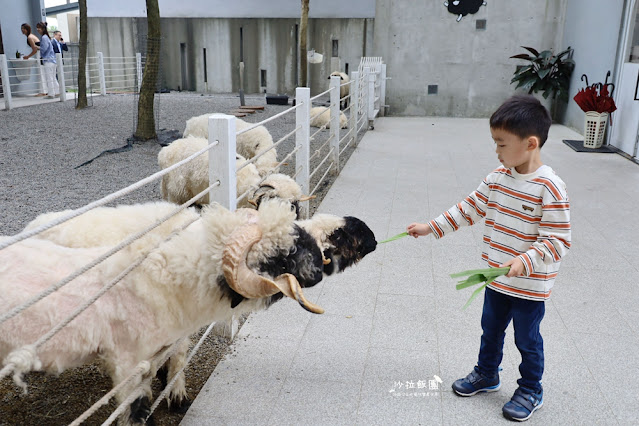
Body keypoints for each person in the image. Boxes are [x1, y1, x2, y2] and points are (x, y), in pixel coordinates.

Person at [407, 95, 571, 422]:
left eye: (501, 143)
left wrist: (525, 260)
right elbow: (468, 209)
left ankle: (530, 388)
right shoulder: (498, 177)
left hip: (529, 285)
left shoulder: (549, 187)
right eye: (494, 143)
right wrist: (431, 227)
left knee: (527, 339)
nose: (496, 151)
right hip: (495, 278)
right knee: (490, 329)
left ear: (530, 144)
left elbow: (558, 239)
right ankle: (487, 374)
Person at [35, 22, 59, 99]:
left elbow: (44, 49)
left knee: (49, 78)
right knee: (53, 77)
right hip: (53, 60)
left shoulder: (44, 38)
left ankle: (51, 94)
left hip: (48, 60)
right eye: (37, 27)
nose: (38, 29)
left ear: (43, 29)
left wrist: (38, 48)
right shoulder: (47, 37)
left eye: (39, 28)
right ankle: (57, 92)